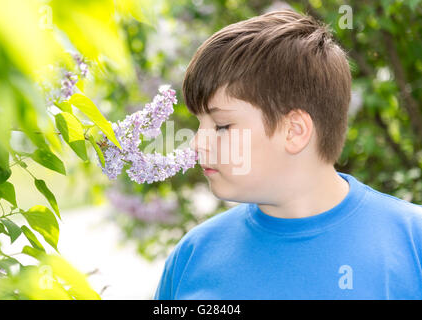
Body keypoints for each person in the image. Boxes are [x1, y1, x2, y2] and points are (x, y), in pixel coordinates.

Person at [154, 9, 422, 299]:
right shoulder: (192, 256)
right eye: (199, 123)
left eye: (221, 126)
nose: (196, 144)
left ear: (294, 131)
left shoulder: (412, 242)